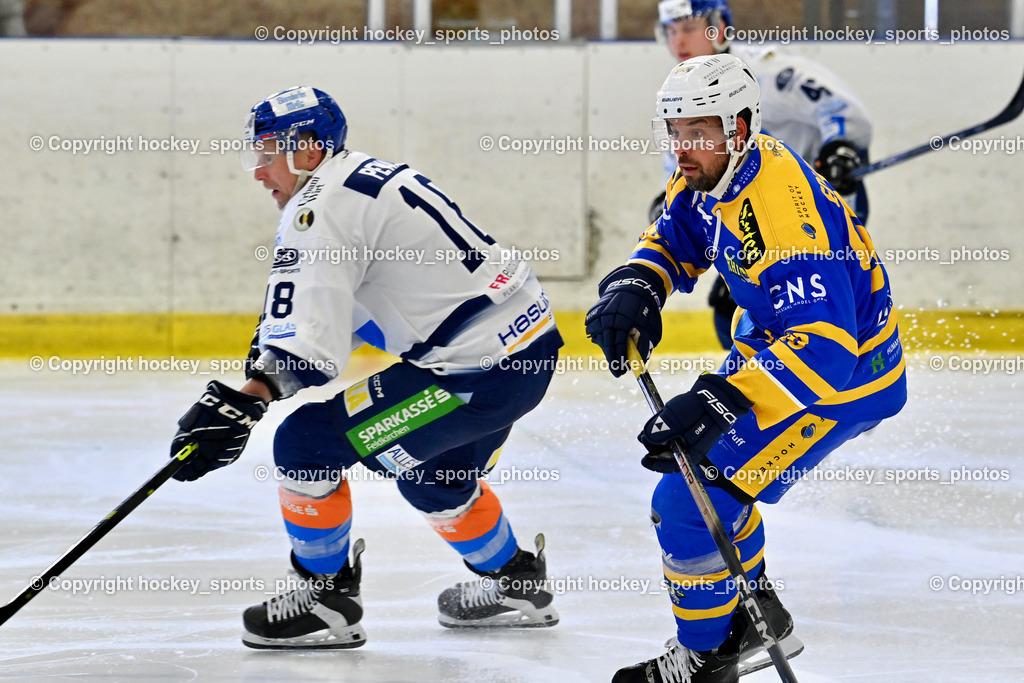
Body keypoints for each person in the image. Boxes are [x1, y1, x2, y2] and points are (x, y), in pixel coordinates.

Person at [168, 86, 562, 649]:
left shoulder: (317, 207)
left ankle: (327, 600)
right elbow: (350, 308)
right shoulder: (363, 178)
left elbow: (309, 351)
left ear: (306, 151)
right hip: (525, 353)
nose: (258, 171)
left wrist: (248, 400)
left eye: (267, 153)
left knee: (305, 444)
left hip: (473, 374)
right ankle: (517, 584)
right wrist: (266, 367)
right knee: (433, 477)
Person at [586, 54, 906, 682]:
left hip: (843, 382)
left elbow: (826, 350)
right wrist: (639, 284)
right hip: (779, 350)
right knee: (710, 485)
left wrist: (719, 399)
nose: (682, 147)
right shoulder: (713, 171)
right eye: (674, 130)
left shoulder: (782, 213)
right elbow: (677, 234)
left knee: (687, 499)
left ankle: (709, 656)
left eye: (697, 131)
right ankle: (754, 612)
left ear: (738, 126)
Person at [652, 0, 874, 349]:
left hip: (811, 214)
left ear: (719, 28)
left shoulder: (768, 73)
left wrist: (838, 150)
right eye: (671, 31)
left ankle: (837, 369)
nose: (678, 41)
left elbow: (840, 108)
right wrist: (672, 209)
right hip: (751, 220)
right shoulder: (682, 99)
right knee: (734, 312)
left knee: (811, 315)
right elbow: (693, 184)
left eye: (689, 28)